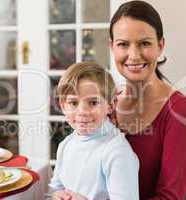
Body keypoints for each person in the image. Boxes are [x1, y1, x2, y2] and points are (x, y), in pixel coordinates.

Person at [108, 1, 186, 199]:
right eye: (123, 44)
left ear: (160, 45)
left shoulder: (178, 108)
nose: (134, 55)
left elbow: (170, 197)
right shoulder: (106, 103)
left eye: (144, 43)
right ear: (112, 47)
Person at [45, 62, 139, 200]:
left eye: (93, 103)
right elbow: (53, 190)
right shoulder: (66, 145)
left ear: (110, 106)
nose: (82, 112)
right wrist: (55, 195)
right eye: (73, 103)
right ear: (63, 106)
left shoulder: (117, 151)